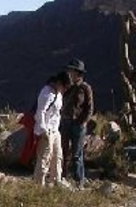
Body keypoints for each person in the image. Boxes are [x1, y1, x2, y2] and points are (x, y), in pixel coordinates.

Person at [33, 72, 71, 186]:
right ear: (59, 83)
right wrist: (43, 130)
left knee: (57, 156)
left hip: (55, 129)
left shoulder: (58, 94)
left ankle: (55, 181)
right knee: (44, 158)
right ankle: (39, 184)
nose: (64, 90)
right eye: (64, 87)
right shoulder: (46, 93)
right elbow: (41, 112)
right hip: (46, 130)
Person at [61, 59, 94, 188]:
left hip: (78, 124)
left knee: (77, 154)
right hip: (65, 121)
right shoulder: (67, 87)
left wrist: (84, 122)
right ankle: (63, 177)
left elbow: (90, 107)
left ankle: (79, 180)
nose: (69, 72)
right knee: (63, 151)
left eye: (71, 70)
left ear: (77, 72)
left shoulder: (85, 88)